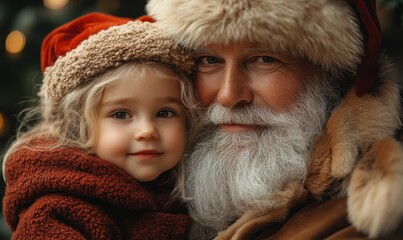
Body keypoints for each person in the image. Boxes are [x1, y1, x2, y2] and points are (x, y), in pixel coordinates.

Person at [147, 0, 403, 239]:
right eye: (209, 60)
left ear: (333, 77)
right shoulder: (147, 179)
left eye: (265, 59)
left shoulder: (371, 213)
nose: (228, 96)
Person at [2, 12, 198, 239]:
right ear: (78, 124)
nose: (147, 131)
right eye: (121, 114)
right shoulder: (59, 208)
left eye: (165, 113)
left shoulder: (187, 192)